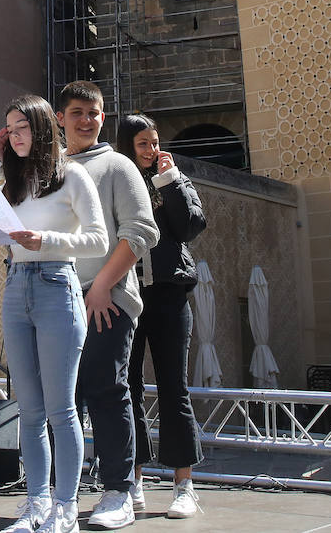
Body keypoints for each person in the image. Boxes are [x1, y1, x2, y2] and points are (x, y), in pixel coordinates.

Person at [0, 95, 107, 533]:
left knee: (60, 409)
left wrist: (45, 240)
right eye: (7, 129)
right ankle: (36, 503)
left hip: (56, 285)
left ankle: (65, 507)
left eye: (20, 127)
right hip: (16, 288)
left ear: (42, 127)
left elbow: (98, 240)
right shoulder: (11, 181)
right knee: (28, 409)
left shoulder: (74, 176)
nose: (13, 136)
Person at [55, 81, 158, 531]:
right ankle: (60, 495)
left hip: (106, 301)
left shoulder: (117, 166)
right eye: (77, 111)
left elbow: (140, 232)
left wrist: (101, 287)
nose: (86, 120)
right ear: (60, 117)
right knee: (60, 401)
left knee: (106, 390)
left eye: (94, 113)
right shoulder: (48, 169)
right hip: (55, 301)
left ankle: (118, 491)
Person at [115, 115, 207, 519]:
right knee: (127, 388)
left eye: (155, 142)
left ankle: (183, 484)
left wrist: (170, 182)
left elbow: (189, 226)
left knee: (174, 388)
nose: (152, 150)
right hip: (127, 295)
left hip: (169, 295)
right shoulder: (117, 180)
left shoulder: (173, 179)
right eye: (142, 144)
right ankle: (132, 478)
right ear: (126, 146)